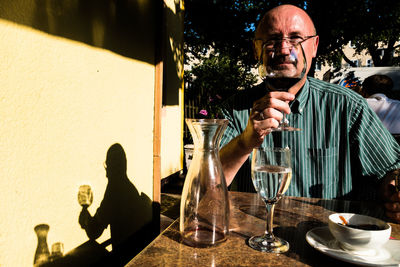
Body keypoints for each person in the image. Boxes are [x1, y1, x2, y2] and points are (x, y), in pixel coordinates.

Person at [219, 4, 400, 223]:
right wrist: (244, 142)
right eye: (273, 39)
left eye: (295, 39)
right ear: (257, 49)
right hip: (253, 240)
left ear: (314, 46)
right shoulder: (235, 108)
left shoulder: (348, 107)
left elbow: (391, 169)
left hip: (331, 240)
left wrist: (394, 191)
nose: (284, 49)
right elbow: (208, 183)